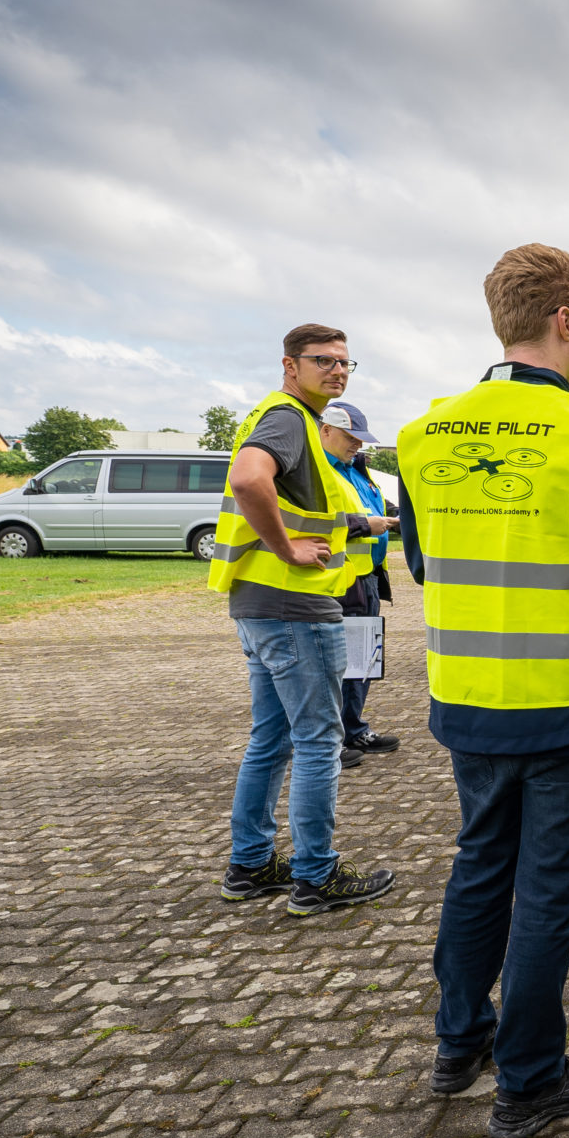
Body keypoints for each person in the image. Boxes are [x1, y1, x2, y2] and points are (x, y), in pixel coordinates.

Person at [396, 243, 569, 1138]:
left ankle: (457, 1043)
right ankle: (528, 1080)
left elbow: (427, 563)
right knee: (547, 890)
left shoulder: (424, 432)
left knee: (481, 864)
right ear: (564, 320)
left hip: (469, 699)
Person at [211, 325, 402, 917]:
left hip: (257, 604)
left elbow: (308, 508)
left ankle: (250, 865)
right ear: (290, 365)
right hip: (295, 606)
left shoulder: (283, 420)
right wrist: (289, 548)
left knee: (270, 739)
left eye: (346, 362)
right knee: (319, 741)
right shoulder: (289, 416)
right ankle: (316, 875)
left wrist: (362, 526)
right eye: (324, 361)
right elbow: (248, 480)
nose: (338, 371)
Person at [320, 400, 401, 757]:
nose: (357, 444)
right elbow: (315, 521)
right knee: (337, 663)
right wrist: (364, 525)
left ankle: (353, 729)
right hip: (338, 581)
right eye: (349, 436)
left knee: (364, 660)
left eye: (360, 439)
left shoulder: (358, 469)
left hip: (367, 578)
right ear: (325, 431)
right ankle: (328, 738)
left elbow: (375, 507)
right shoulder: (316, 471)